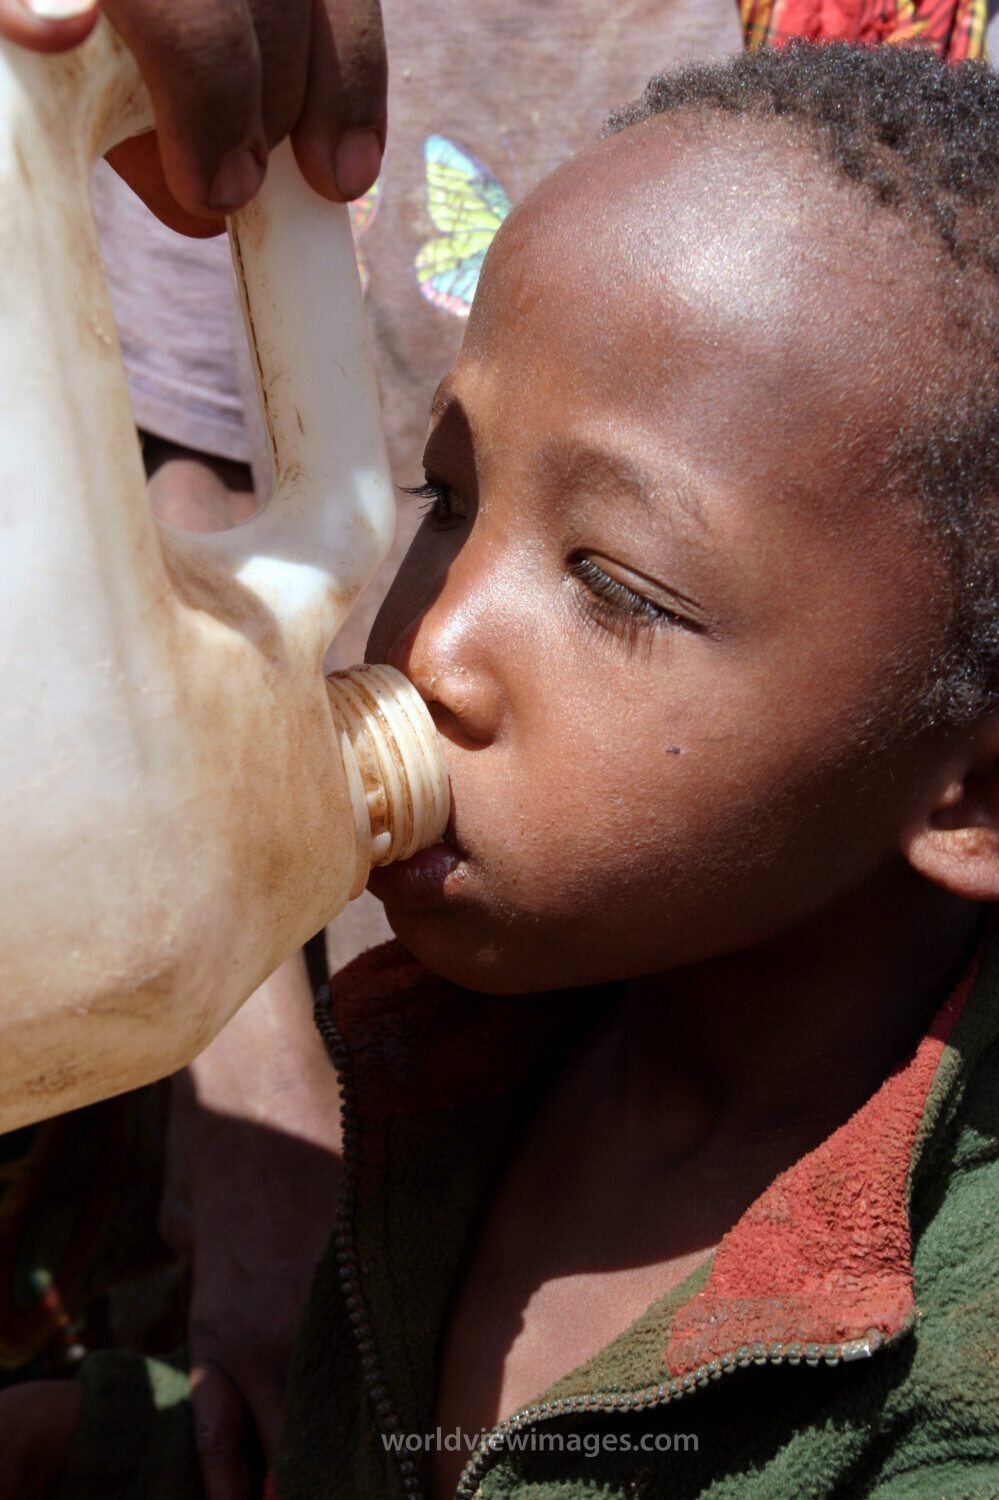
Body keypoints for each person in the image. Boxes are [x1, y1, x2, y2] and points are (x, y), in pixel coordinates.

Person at [7, 32, 999, 1500]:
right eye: (448, 495)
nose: (439, 641)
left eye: (619, 585)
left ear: (971, 796)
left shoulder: (944, 1398)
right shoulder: (462, 1062)